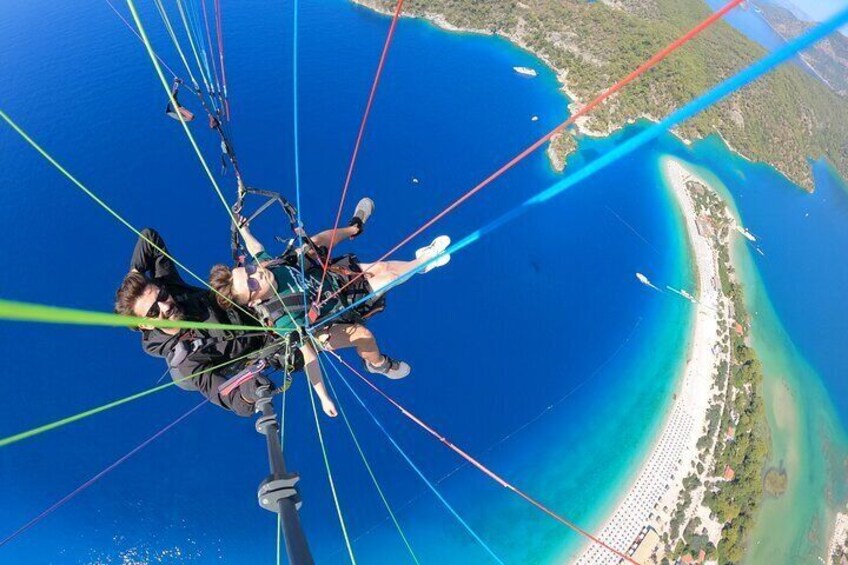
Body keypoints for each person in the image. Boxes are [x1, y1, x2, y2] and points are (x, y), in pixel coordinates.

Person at [208, 198, 453, 414]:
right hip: (331, 314)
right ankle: (378, 364)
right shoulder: (283, 319)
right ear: (255, 300)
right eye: (251, 283)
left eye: (250, 270)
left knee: (324, 246)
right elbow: (309, 356)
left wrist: (243, 230)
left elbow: (257, 250)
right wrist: (324, 398)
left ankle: (369, 234)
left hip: (332, 279)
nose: (257, 274)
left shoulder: (268, 268)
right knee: (369, 321)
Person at [114, 228, 270, 418]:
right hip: (267, 339)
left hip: (254, 299)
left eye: (162, 295)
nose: (165, 306)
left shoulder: (172, 288)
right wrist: (247, 394)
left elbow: (149, 238)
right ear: (145, 325)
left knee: (300, 257)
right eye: (154, 311)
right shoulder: (186, 360)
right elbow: (220, 391)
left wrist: (135, 274)